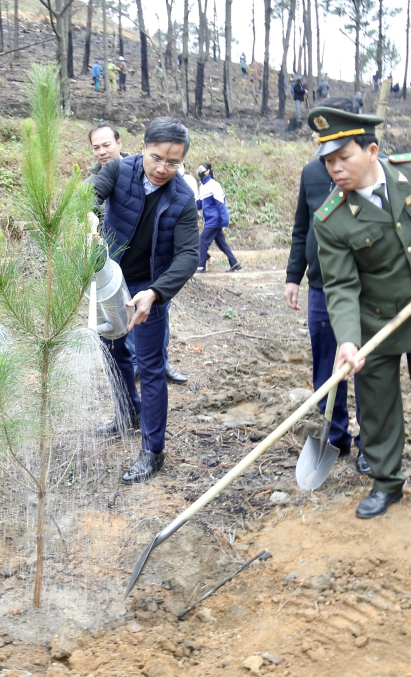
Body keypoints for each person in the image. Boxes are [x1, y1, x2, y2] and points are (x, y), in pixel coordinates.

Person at [306, 105, 411, 519]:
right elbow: (342, 286)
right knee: (379, 408)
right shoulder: (330, 219)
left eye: (344, 157)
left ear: (372, 150)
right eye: (328, 161)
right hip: (376, 322)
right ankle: (386, 483)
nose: (336, 169)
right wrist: (348, 339)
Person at [88, 118, 199, 484]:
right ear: (142, 146)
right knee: (113, 351)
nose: (163, 168)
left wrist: (155, 293)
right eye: (157, 158)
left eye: (174, 162)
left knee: (150, 366)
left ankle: (153, 451)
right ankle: (127, 414)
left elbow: (188, 255)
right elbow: (88, 194)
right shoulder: (119, 169)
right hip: (110, 278)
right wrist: (86, 215)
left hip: (150, 286)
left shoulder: (182, 197)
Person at [286, 100, 368, 477]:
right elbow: (302, 227)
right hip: (321, 286)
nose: (332, 159)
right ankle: (336, 435)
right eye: (322, 142)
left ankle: (371, 440)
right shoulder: (310, 173)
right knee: (325, 365)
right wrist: (293, 276)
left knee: (366, 366)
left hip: (364, 288)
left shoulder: (366, 172)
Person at [196, 163, 241, 274]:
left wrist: (225, 219)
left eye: (202, 169)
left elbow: (221, 203)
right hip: (209, 220)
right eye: (199, 168)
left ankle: (201, 266)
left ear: (208, 171)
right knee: (221, 244)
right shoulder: (202, 187)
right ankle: (234, 263)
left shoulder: (214, 185)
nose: (199, 170)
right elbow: (199, 205)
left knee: (202, 242)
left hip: (214, 220)